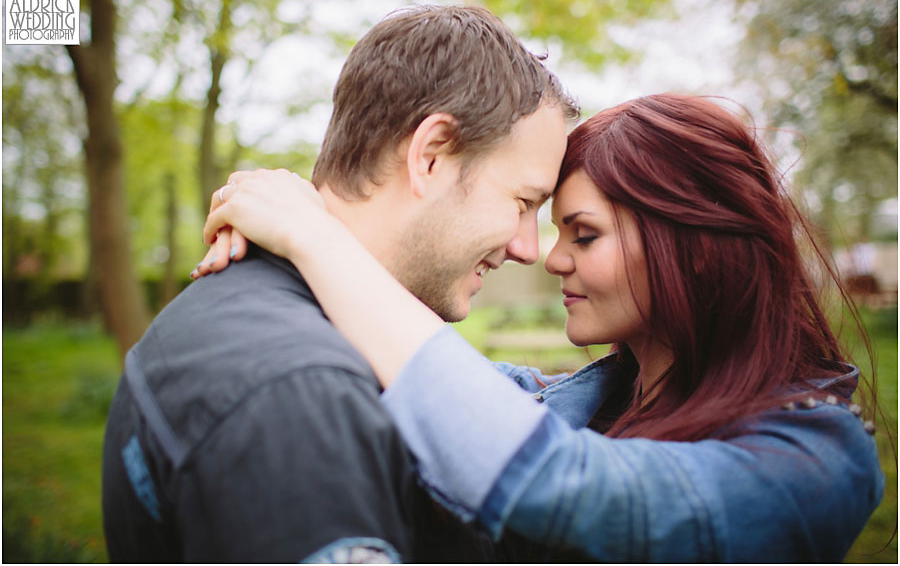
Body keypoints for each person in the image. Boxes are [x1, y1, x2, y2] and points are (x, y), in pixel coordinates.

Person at [202, 93, 885, 562]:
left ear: (694, 244)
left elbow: (555, 482)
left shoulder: (815, 461)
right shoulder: (589, 402)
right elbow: (437, 390)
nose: (551, 256)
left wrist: (316, 238)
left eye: (583, 235)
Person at [101, 4, 579, 562]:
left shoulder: (245, 314)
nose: (527, 249)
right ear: (430, 156)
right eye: (523, 203)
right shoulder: (301, 394)